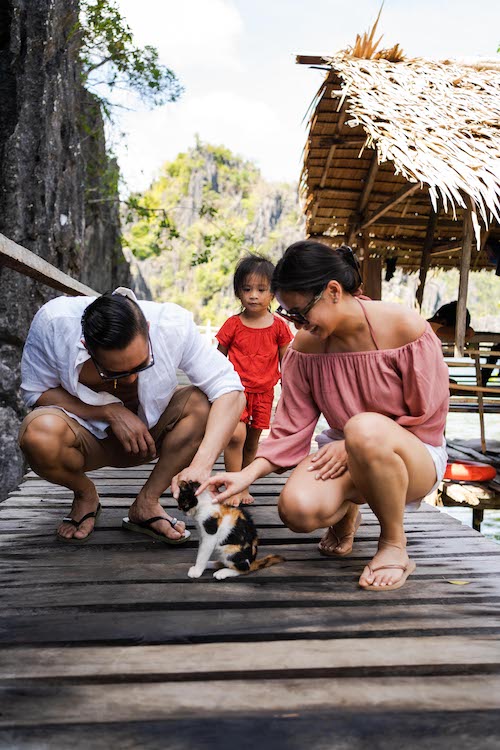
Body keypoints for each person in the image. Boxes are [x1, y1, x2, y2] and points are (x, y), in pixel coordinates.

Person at [199, 241, 450, 591]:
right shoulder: (304, 348)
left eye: (301, 313)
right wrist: (246, 475)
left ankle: (394, 545)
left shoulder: (404, 328)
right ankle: (347, 514)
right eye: (289, 315)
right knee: (297, 510)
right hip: (344, 453)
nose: (298, 323)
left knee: (362, 428)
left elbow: (429, 419)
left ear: (333, 291)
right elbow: (290, 430)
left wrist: (355, 442)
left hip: (414, 456)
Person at [19, 287, 245, 544]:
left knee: (202, 404)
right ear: (86, 347)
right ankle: (85, 494)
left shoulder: (171, 324)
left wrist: (202, 465)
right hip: (87, 438)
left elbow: (231, 391)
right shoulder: (53, 324)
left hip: (152, 435)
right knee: (37, 433)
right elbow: (35, 391)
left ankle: (147, 504)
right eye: (114, 373)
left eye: (141, 365)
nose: (131, 379)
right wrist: (108, 411)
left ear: (147, 328)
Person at [216, 254, 293, 504]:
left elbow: (287, 362)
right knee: (235, 437)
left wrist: (289, 392)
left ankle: (244, 485)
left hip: (264, 393)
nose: (253, 295)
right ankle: (231, 485)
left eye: (261, 289)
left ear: (273, 293)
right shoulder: (233, 324)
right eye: (247, 289)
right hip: (235, 391)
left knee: (251, 443)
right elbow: (217, 358)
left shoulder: (279, 327)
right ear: (238, 292)